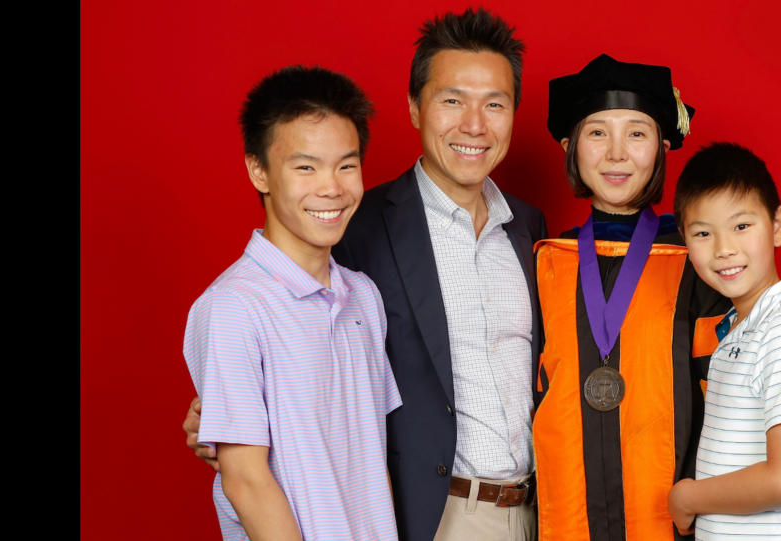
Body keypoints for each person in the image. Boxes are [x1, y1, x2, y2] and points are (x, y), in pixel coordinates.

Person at [184, 8, 544, 541]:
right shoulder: (357, 229)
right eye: (452, 100)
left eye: (495, 103)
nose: (475, 124)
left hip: (537, 509)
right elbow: (255, 450)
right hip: (437, 515)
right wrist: (225, 421)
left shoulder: (528, 227)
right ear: (415, 107)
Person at [532, 55, 781, 541]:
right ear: (570, 148)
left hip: (677, 517)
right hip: (570, 510)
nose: (617, 153)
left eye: (638, 133)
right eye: (597, 133)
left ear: (663, 148)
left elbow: (774, 347)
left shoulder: (696, 256)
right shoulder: (549, 260)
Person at [182, 65, 401, 540]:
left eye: (347, 164)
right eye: (305, 166)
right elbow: (246, 479)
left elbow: (370, 453)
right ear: (258, 170)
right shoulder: (233, 307)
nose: (332, 188)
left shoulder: (364, 295)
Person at [666, 142, 781, 540]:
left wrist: (689, 496)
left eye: (742, 226)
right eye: (702, 233)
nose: (724, 248)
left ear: (777, 225)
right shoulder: (737, 330)